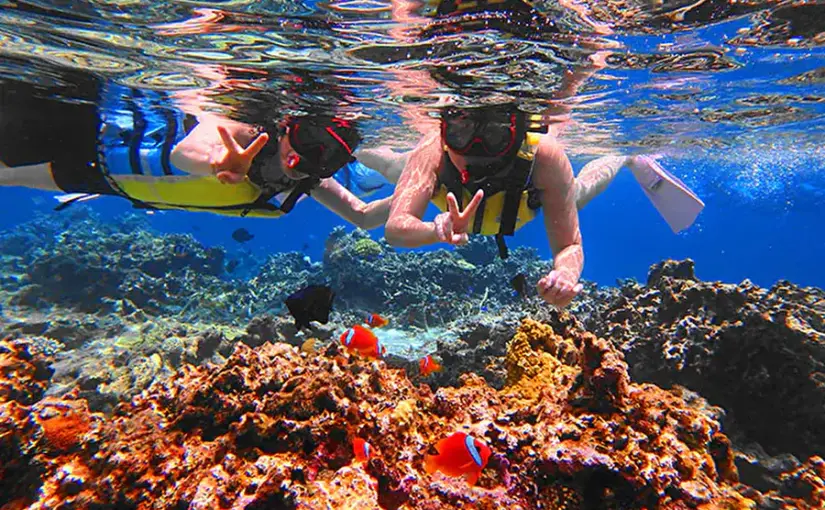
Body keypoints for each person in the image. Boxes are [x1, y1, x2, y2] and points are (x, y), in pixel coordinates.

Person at [383, 103, 704, 308]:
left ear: (516, 131)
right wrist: (434, 230)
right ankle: (361, 155)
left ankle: (624, 156)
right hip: (448, 196)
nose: (476, 149)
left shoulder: (544, 155)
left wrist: (565, 274)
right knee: (395, 165)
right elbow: (396, 228)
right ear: (444, 131)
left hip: (525, 204)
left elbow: (569, 245)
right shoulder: (431, 150)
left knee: (578, 192)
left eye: (494, 134)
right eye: (461, 132)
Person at [0, 68, 393, 229]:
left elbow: (363, 216)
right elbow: (186, 150)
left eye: (331, 158)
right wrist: (219, 162)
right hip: (85, 134)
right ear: (286, 126)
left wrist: (424, 189)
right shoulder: (242, 133)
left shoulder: (305, 182)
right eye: (308, 141)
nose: (304, 160)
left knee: (7, 178)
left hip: (99, 178)